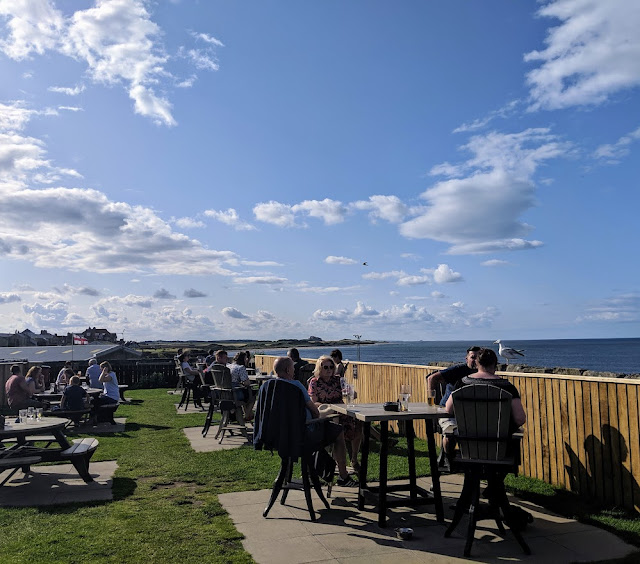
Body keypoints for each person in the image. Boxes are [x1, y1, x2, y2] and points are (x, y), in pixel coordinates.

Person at [273, 356, 357, 487]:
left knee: (355, 424)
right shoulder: (296, 386)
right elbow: (314, 409)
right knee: (337, 431)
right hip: (306, 431)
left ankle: (350, 463)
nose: (295, 370)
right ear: (288, 370)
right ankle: (342, 475)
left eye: (331, 367)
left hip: (282, 433)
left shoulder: (268, 387)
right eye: (293, 368)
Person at [445, 348, 526, 429]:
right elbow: (520, 419)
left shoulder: (462, 383)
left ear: (477, 363)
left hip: (468, 436)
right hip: (499, 438)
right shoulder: (508, 387)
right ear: (495, 364)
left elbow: (448, 409)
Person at [308, 355, 363, 473]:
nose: (329, 370)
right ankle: (339, 465)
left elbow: (354, 395)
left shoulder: (338, 380)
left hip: (343, 411)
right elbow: (314, 402)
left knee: (359, 424)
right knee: (339, 429)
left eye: (331, 367)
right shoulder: (315, 382)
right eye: (325, 367)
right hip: (327, 413)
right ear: (319, 368)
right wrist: (330, 407)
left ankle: (354, 459)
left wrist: (350, 392)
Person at [227, 351, 255, 421]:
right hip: (236, 393)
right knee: (252, 397)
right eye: (246, 358)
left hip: (227, 393)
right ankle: (246, 416)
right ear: (243, 359)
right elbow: (247, 383)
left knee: (247, 396)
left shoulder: (228, 366)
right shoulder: (241, 367)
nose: (247, 360)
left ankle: (249, 414)